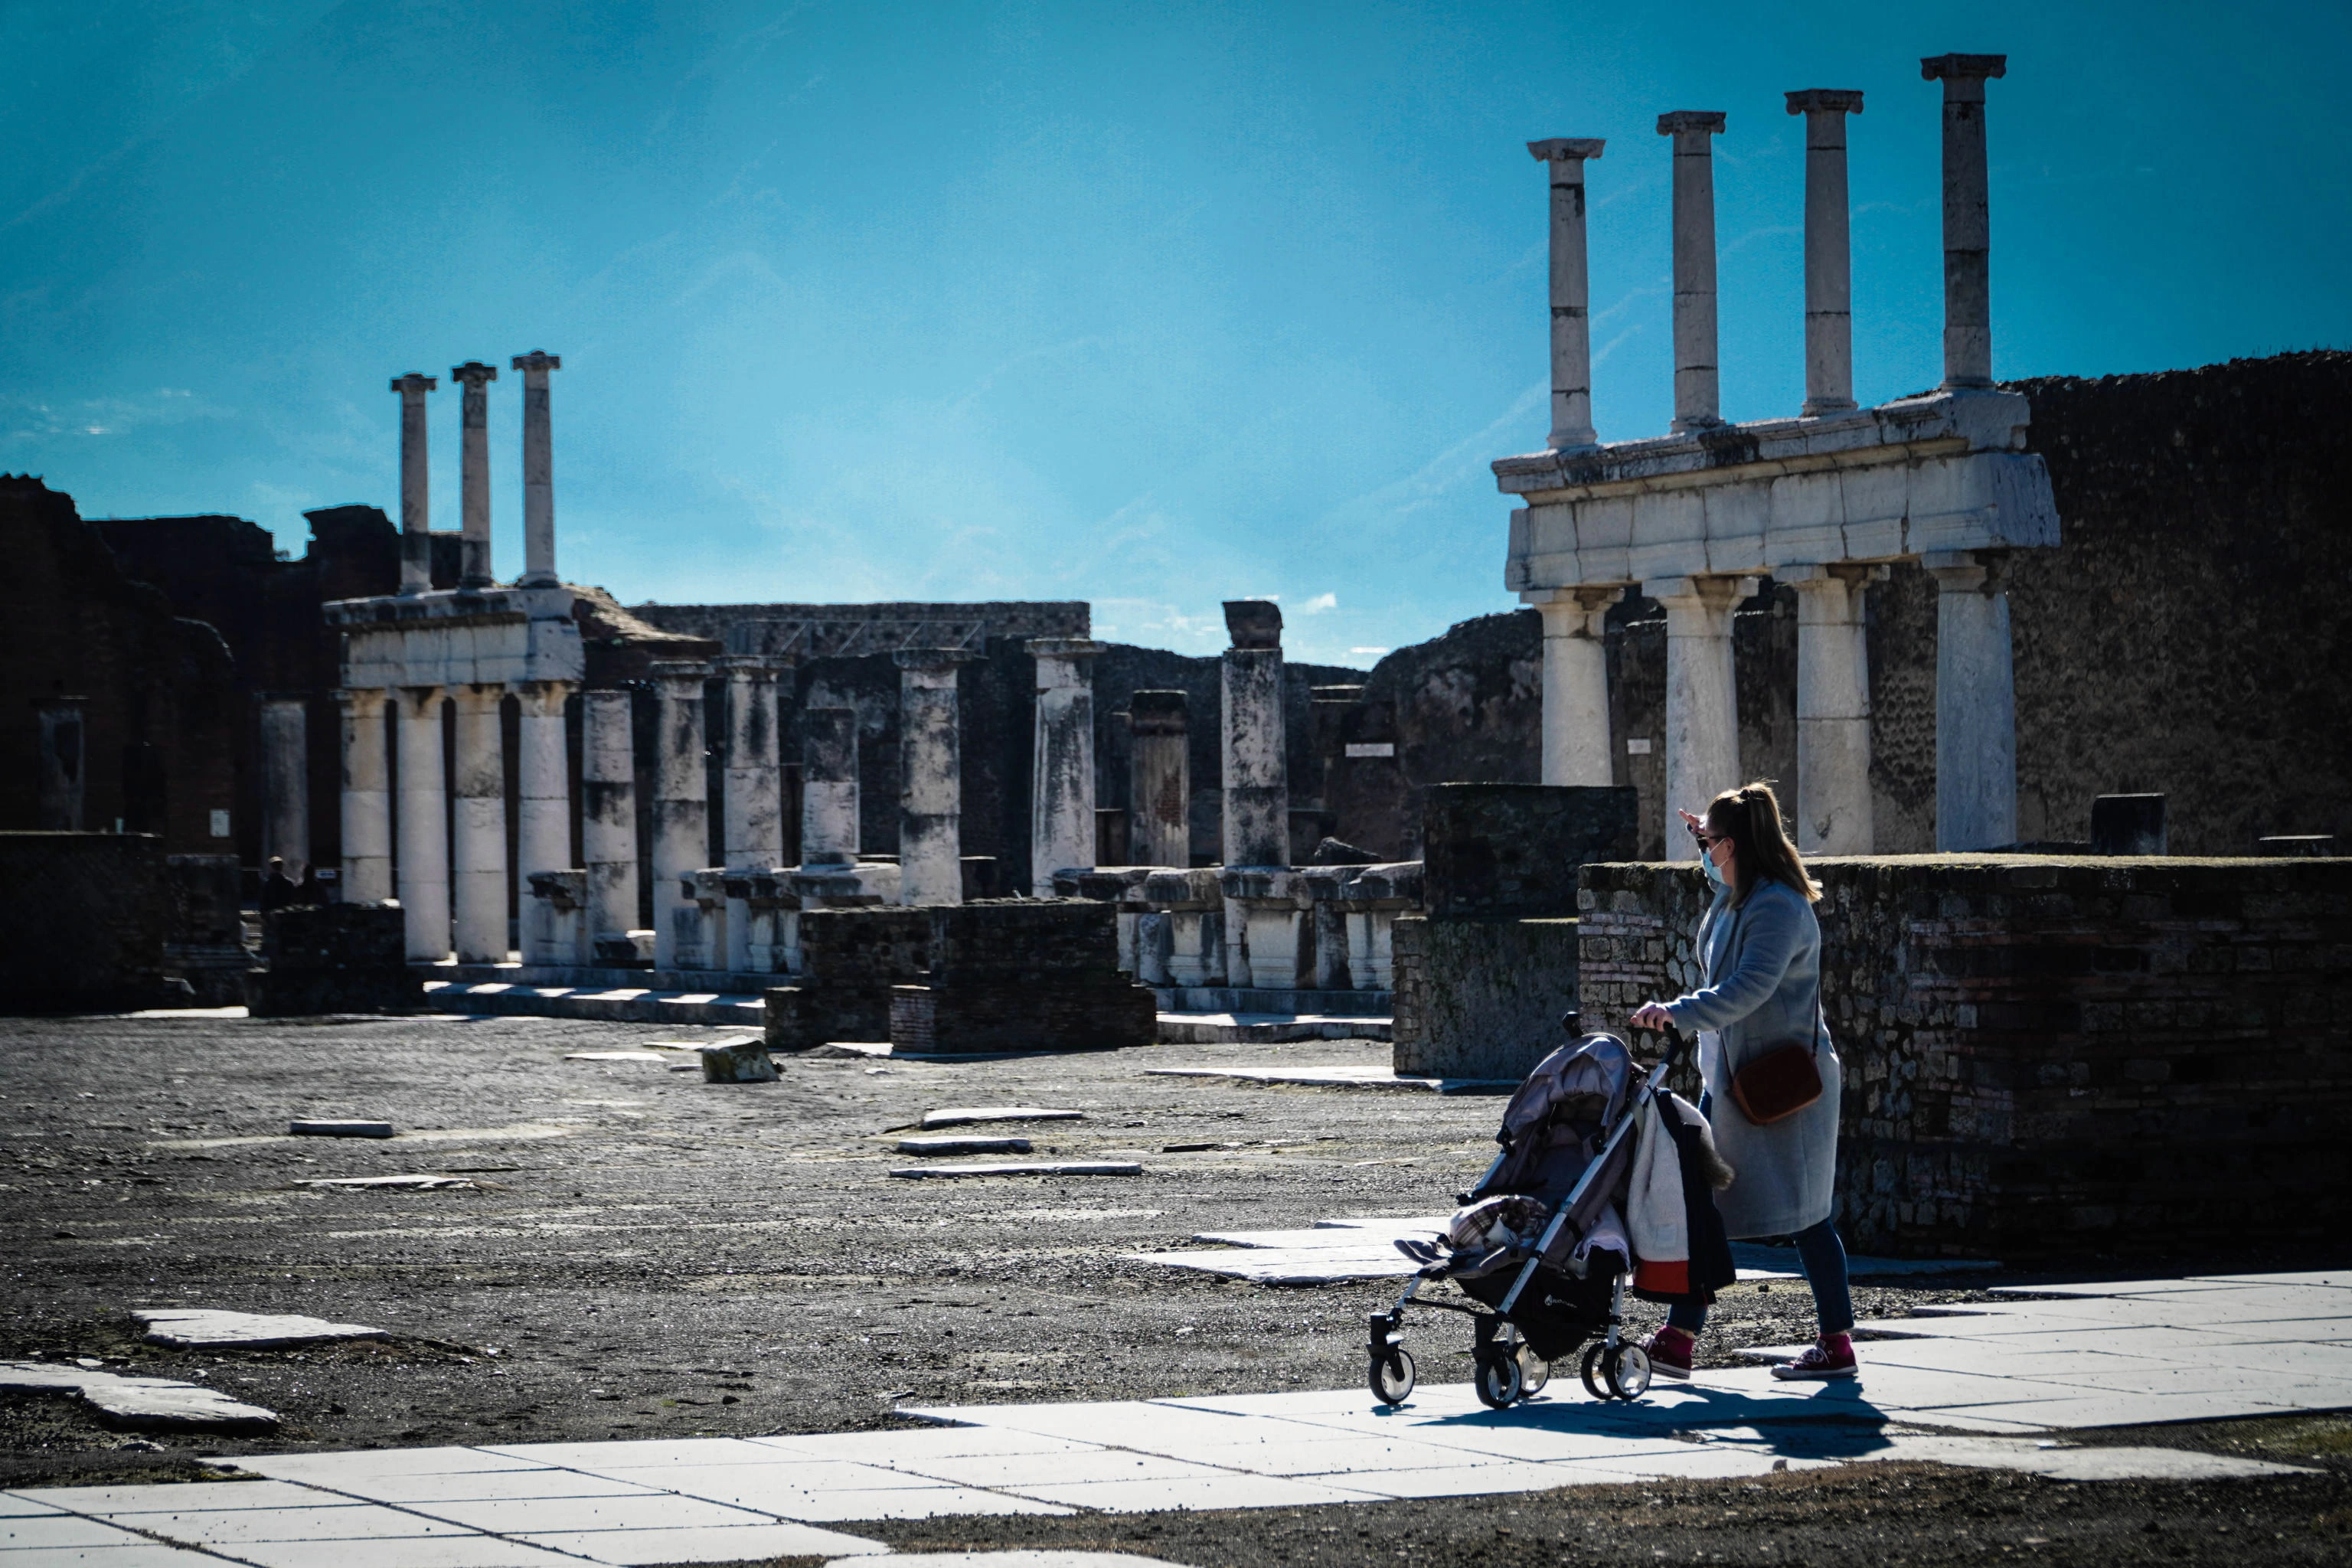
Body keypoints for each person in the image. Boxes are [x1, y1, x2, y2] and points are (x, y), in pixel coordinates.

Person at [1628, 781, 1856, 1382]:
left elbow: (1749, 988)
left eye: (1707, 842)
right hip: (1729, 1081)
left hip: (1782, 1088)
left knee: (1807, 1214)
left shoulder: (1779, 907)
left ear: (1731, 845)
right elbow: (1721, 895)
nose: (1702, 853)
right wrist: (1700, 833)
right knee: (1704, 1208)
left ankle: (1836, 1342)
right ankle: (1679, 1340)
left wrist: (1678, 1011)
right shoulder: (1737, 896)